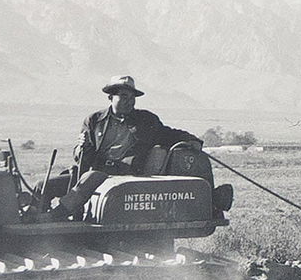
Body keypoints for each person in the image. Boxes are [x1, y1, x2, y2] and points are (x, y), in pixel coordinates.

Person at [46, 76, 195, 219]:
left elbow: (169, 134)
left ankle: (57, 215)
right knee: (45, 185)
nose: (129, 102)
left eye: (132, 98)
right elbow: (81, 156)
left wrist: (192, 140)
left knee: (91, 178)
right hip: (95, 172)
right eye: (124, 97)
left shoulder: (145, 120)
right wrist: (81, 148)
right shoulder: (94, 120)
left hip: (124, 175)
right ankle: (32, 217)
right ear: (110, 97)